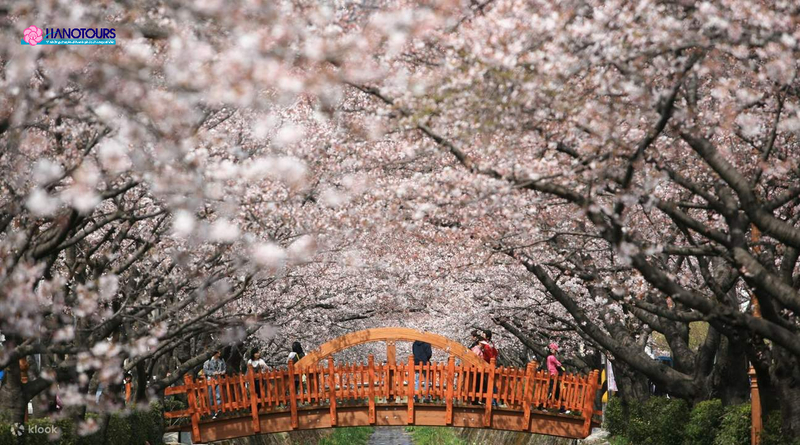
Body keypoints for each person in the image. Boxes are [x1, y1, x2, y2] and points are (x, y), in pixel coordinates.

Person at [203, 350, 226, 418]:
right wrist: (212, 373)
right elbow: (205, 370)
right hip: (210, 380)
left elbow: (224, 369)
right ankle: (212, 413)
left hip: (218, 379)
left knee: (218, 395)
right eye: (218, 352)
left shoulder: (221, 360)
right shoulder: (208, 361)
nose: (220, 353)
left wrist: (222, 372)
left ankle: (218, 410)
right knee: (210, 397)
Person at [546, 342, 568, 413]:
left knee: (556, 392)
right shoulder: (551, 357)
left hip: (554, 375)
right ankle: (542, 405)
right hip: (553, 375)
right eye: (553, 350)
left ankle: (562, 407)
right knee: (552, 391)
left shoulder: (550, 357)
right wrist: (561, 366)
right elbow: (558, 363)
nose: (554, 351)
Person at [479, 331, 499, 407]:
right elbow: (495, 353)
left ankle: (492, 401)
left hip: (488, 365)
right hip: (491, 365)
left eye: (483, 335)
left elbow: (491, 355)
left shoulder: (487, 346)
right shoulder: (491, 344)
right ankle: (493, 401)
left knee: (489, 383)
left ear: (487, 337)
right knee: (491, 384)